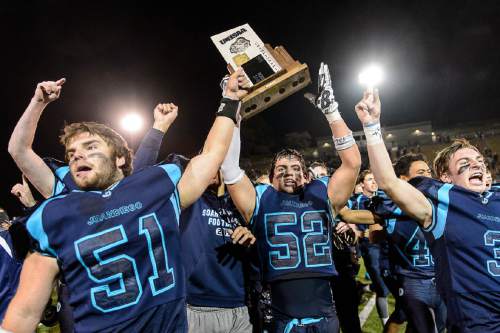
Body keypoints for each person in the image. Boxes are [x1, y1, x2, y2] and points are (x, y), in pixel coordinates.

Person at [1, 69, 248, 333]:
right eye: (71, 152)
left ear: (120, 158)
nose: (77, 156)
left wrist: (230, 98)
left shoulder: (154, 188)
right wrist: (38, 102)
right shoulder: (55, 211)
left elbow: (211, 156)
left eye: (91, 147)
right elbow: (24, 313)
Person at [220, 63, 361, 332]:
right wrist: (234, 112)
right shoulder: (261, 198)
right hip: (281, 315)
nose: (289, 173)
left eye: (296, 168)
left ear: (307, 176)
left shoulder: (321, 194)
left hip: (325, 313)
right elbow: (228, 168)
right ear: (271, 177)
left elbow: (352, 163)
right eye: (281, 169)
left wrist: (331, 111)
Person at [353, 88, 500, 332]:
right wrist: (371, 125)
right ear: (446, 177)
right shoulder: (442, 203)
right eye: (464, 164)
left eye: (480, 162)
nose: (476, 165)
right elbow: (388, 182)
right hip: (479, 325)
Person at [341, 153, 447, 333]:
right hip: (411, 278)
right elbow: (351, 217)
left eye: (429, 171)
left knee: (436, 325)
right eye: (421, 172)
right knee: (417, 323)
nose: (428, 176)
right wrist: (384, 224)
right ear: (402, 179)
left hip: (440, 278)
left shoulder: (442, 202)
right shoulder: (390, 207)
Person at [352, 170, 390, 326]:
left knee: (393, 283)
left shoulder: (382, 196)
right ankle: (387, 324)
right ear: (362, 184)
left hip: (387, 247)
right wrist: (361, 233)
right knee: (382, 289)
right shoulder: (359, 201)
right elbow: (351, 224)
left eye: (375, 179)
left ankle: (365, 287)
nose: (374, 182)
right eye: (369, 179)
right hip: (371, 248)